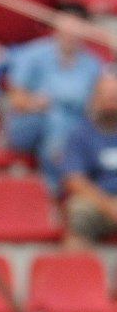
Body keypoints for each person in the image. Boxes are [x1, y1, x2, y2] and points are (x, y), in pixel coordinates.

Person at [4, 2, 103, 188]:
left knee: (65, 128)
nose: (71, 33)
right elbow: (16, 98)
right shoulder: (32, 54)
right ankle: (59, 186)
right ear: (55, 26)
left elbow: (94, 109)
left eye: (77, 27)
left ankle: (54, 188)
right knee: (55, 118)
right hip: (30, 123)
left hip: (69, 127)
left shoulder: (93, 65)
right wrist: (33, 103)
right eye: (66, 26)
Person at [62, 71, 117, 247]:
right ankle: (77, 271)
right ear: (95, 99)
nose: (111, 104)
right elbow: (74, 180)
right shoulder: (81, 134)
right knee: (78, 212)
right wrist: (108, 205)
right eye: (106, 97)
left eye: (114, 98)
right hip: (99, 201)